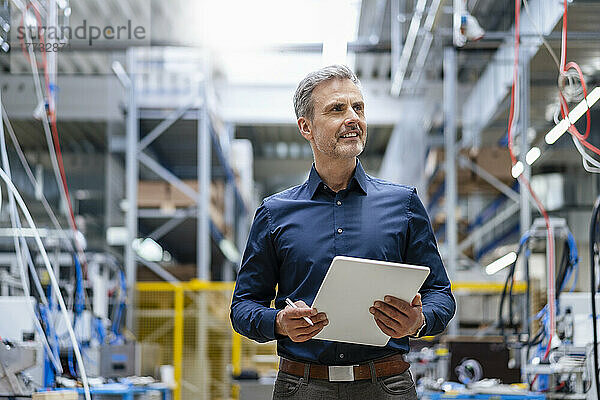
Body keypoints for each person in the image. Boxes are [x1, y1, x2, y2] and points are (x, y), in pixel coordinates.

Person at [230, 65, 455, 400]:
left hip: (387, 384)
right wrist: (278, 322)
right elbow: (244, 306)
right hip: (303, 386)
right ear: (306, 127)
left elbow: (441, 294)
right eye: (337, 109)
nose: (353, 117)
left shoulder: (403, 204)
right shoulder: (274, 213)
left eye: (358, 107)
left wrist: (418, 322)